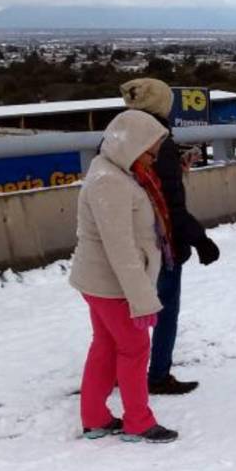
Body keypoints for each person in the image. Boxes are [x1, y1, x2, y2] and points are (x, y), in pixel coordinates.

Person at [70, 110, 179, 444]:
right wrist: (142, 299)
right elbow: (120, 248)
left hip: (102, 282)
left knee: (105, 345)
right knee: (134, 348)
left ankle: (95, 419)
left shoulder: (113, 172)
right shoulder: (110, 182)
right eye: (150, 152)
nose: (153, 159)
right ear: (131, 146)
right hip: (112, 285)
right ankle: (138, 423)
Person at [120, 78, 222, 396]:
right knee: (165, 308)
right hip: (160, 244)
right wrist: (200, 239)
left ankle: (118, 371)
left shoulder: (117, 136)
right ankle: (158, 374)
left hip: (126, 239)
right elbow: (170, 205)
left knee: (125, 311)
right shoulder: (158, 142)